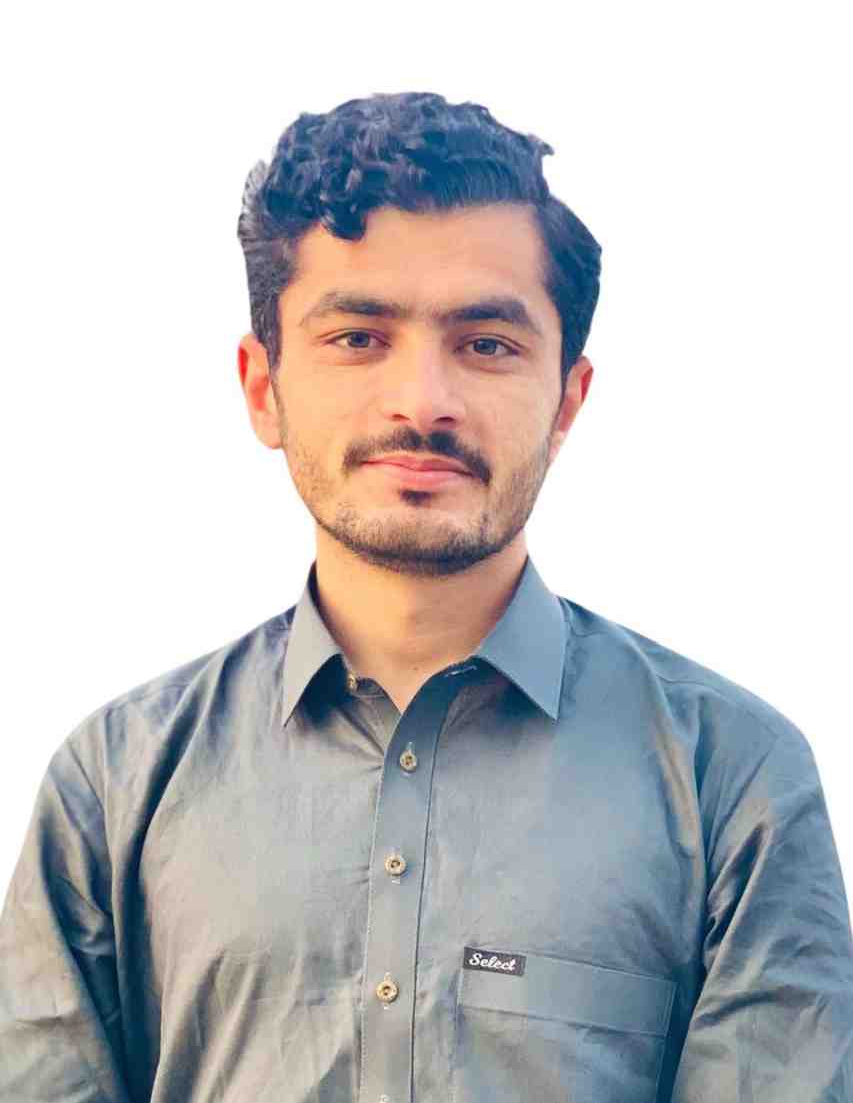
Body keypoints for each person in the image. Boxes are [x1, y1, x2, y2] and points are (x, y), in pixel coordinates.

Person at [0, 90, 850, 1103]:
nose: (421, 401)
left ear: (567, 399)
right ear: (263, 387)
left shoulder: (730, 779)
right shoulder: (114, 782)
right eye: (357, 337)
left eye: (486, 343)